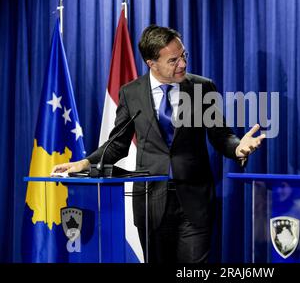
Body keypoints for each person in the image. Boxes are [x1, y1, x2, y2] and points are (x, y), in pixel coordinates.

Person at [52, 25, 266, 263]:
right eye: (173, 60)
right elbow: (117, 145)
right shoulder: (131, 93)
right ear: (151, 63)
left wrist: (237, 147)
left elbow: (221, 135)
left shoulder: (202, 87)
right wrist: (83, 163)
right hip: (151, 203)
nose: (183, 64)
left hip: (194, 202)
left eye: (183, 55)